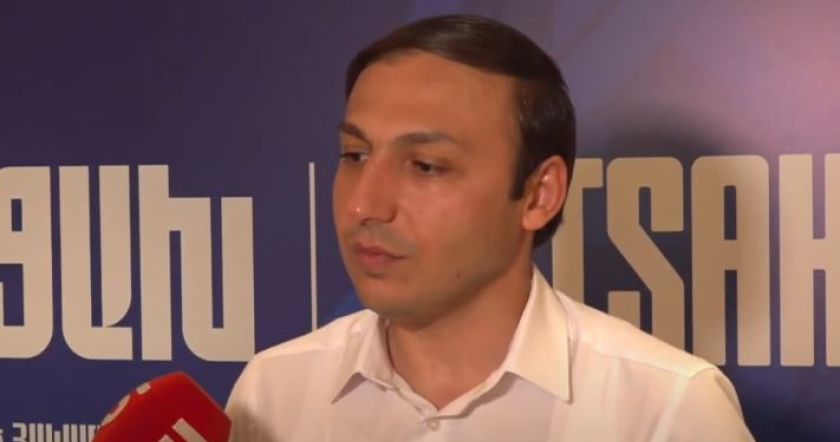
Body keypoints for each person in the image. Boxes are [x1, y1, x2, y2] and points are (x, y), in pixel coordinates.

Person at [226, 14, 754, 441]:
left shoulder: (667, 408)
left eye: (426, 166)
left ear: (539, 195)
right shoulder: (274, 393)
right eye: (354, 155)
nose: (365, 204)